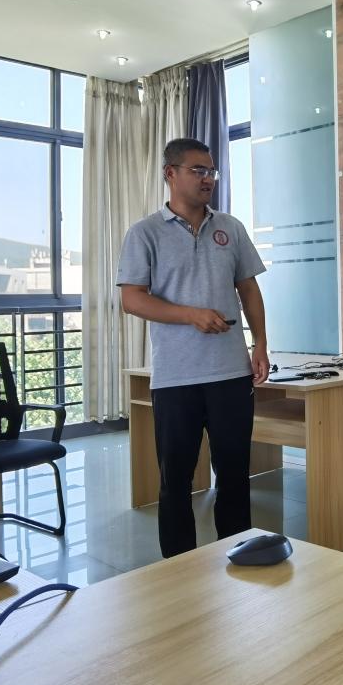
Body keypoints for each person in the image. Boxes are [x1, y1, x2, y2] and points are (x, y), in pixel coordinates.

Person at [117, 138, 269, 558]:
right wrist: (191, 315)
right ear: (171, 173)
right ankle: (178, 571)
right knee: (176, 482)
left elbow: (249, 290)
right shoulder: (145, 233)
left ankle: (240, 557)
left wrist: (260, 343)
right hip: (176, 378)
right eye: (198, 170)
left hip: (231, 374)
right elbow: (132, 299)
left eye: (211, 171)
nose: (208, 179)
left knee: (235, 476)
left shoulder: (230, 228)